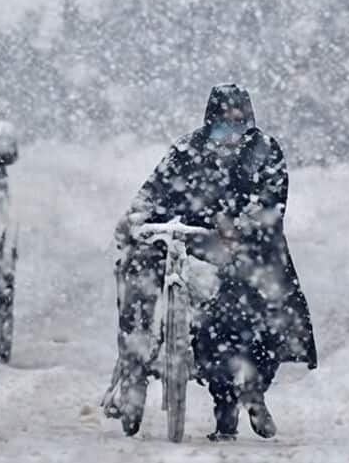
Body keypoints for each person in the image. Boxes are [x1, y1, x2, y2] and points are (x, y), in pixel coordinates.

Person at [100, 84, 317, 441]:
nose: (230, 126)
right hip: (190, 242)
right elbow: (153, 191)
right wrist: (134, 220)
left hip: (249, 250)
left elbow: (271, 203)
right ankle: (135, 363)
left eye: (238, 118)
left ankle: (248, 394)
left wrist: (238, 227)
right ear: (210, 117)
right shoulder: (187, 150)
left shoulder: (265, 151)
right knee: (138, 270)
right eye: (223, 118)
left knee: (244, 313)